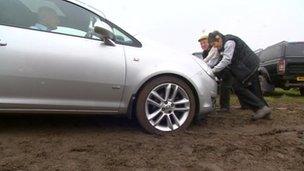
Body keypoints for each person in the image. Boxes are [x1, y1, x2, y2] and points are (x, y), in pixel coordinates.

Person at [208, 31, 271, 120]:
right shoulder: (221, 46)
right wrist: (206, 68)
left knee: (238, 87)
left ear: (218, 38)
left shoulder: (229, 42)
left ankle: (261, 108)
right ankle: (265, 111)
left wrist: (212, 71)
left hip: (249, 66)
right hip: (248, 66)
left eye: (214, 44)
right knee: (254, 90)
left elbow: (226, 60)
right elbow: (214, 61)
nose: (214, 46)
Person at [198, 33, 233, 113]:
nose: (203, 45)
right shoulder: (204, 53)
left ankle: (225, 107)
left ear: (210, 42)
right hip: (217, 70)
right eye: (201, 44)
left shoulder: (215, 48)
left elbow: (213, 61)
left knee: (226, 87)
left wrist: (209, 70)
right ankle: (216, 105)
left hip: (224, 69)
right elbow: (207, 61)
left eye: (204, 42)